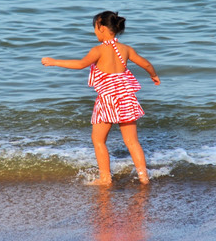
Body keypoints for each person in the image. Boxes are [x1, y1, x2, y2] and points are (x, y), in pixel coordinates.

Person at [41, 11, 160, 186]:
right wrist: (153, 75)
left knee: (98, 140)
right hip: (127, 98)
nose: (94, 33)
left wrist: (54, 61)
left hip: (107, 100)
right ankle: (144, 177)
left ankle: (105, 178)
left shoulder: (98, 50)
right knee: (132, 141)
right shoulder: (126, 49)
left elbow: (81, 64)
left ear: (102, 28)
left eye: (95, 29)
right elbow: (146, 63)